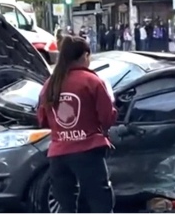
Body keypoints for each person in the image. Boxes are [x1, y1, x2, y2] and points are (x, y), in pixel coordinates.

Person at [37, 35, 117, 213]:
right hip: (88, 152)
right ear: (85, 56)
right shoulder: (93, 81)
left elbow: (42, 119)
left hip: (58, 155)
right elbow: (107, 118)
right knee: (100, 204)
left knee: (66, 207)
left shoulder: (50, 84)